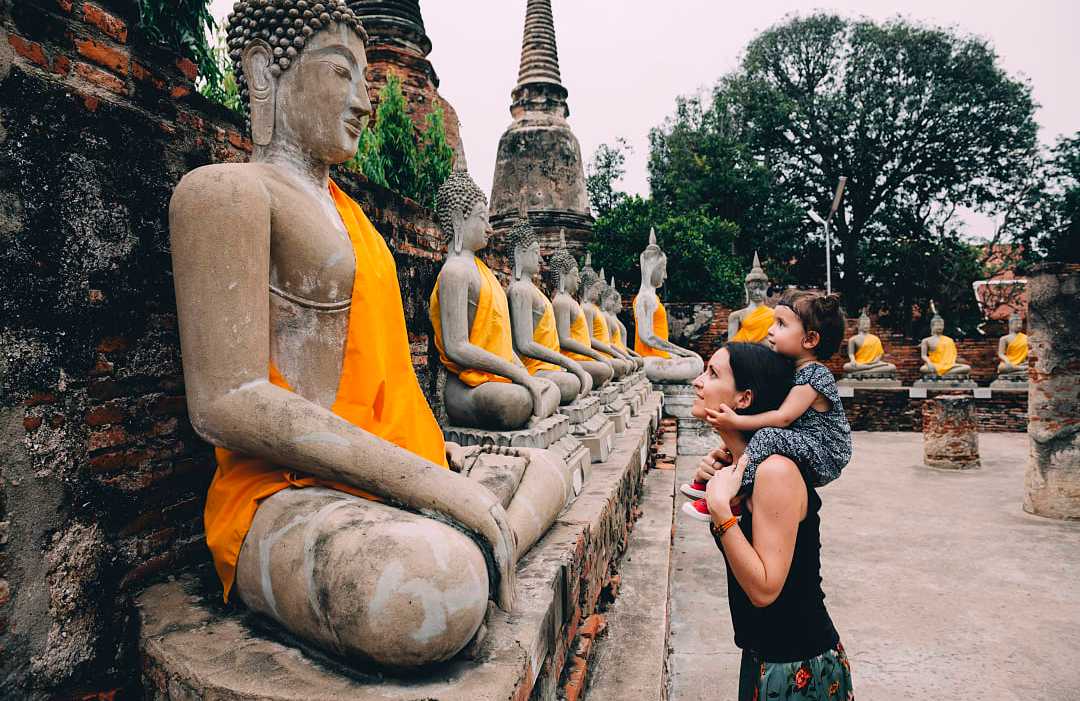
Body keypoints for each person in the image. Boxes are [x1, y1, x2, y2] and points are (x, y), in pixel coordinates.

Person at [688, 343, 855, 700]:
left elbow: (765, 589)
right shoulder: (742, 470)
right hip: (762, 655)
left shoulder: (776, 471)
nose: (698, 382)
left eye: (713, 374)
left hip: (798, 666)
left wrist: (720, 511)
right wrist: (725, 495)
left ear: (744, 399)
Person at [681, 290, 851, 515]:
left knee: (766, 436)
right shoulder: (792, 371)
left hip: (824, 452)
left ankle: (737, 494)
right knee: (748, 442)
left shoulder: (815, 375)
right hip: (803, 442)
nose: (770, 330)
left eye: (781, 324)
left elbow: (783, 418)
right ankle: (713, 479)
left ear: (809, 339)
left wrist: (736, 420)